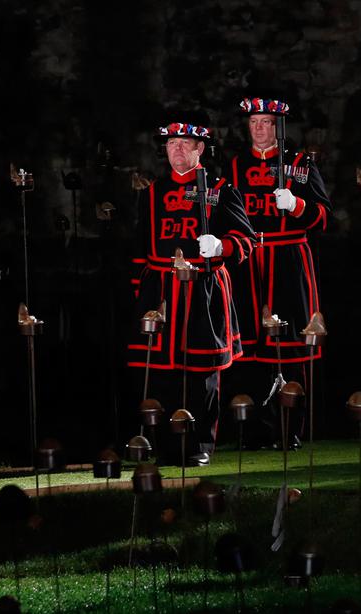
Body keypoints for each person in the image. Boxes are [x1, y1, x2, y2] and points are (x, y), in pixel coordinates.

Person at [128, 111, 254, 465]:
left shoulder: (220, 190)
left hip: (203, 287)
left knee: (202, 375)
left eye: (185, 144)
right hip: (162, 290)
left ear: (200, 148)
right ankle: (164, 444)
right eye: (171, 143)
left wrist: (221, 247)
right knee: (162, 373)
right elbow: (140, 249)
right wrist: (141, 293)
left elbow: (245, 240)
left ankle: (200, 444)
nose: (177, 150)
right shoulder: (152, 193)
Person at [226, 93, 332, 447]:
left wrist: (298, 204)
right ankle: (251, 430)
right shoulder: (236, 166)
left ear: (277, 127)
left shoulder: (299, 164)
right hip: (249, 261)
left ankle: (289, 430)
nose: (259, 129)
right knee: (251, 350)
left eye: (266, 123)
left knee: (290, 348)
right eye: (254, 123)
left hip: (288, 261)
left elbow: (323, 217)